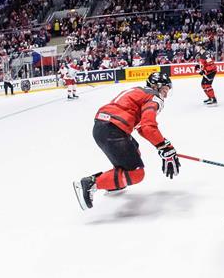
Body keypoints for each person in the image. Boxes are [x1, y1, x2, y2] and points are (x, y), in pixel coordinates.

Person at [73, 72, 181, 210]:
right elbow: (148, 127)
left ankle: (113, 182)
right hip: (113, 130)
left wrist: (163, 145)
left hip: (102, 127)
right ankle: (91, 183)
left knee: (134, 149)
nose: (165, 95)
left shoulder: (139, 91)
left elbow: (141, 127)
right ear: (156, 86)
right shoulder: (154, 97)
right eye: (164, 90)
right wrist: (165, 148)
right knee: (136, 174)